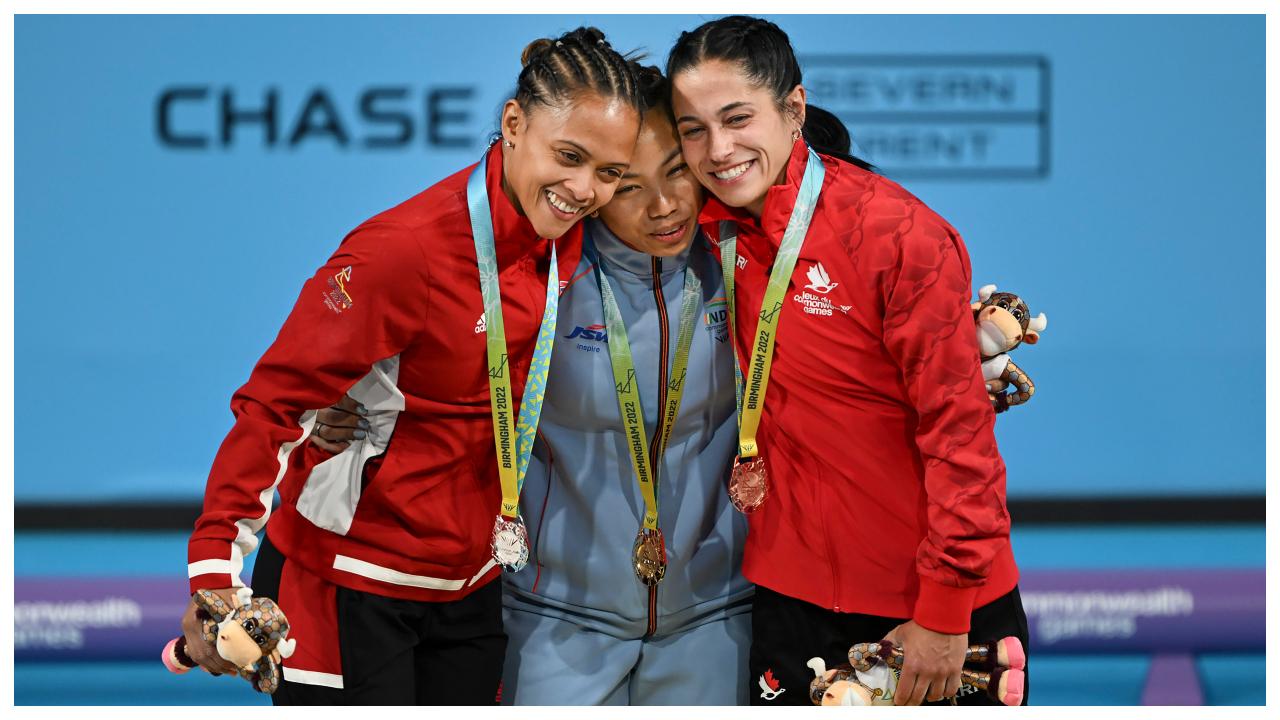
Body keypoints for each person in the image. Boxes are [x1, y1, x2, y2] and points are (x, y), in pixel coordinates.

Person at [179, 27, 642, 705]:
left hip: (473, 585)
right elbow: (277, 403)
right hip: (347, 587)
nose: (583, 190)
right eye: (568, 156)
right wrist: (214, 570)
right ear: (513, 124)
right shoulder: (404, 252)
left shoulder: (568, 235)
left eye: (609, 174)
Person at [666, 15, 1030, 706]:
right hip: (787, 601)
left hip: (925, 608)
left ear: (793, 109)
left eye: (738, 118)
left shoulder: (897, 235)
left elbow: (961, 438)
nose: (717, 149)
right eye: (693, 128)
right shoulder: (702, 228)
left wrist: (946, 609)